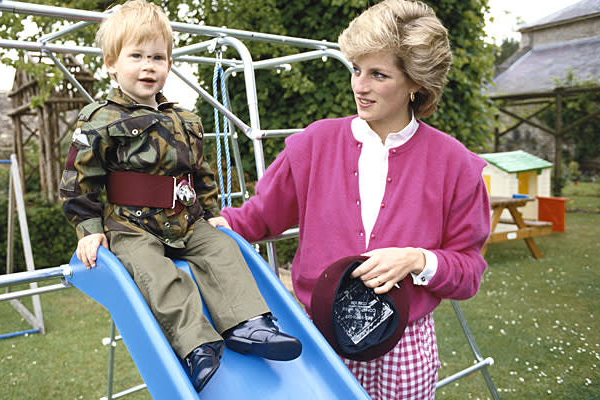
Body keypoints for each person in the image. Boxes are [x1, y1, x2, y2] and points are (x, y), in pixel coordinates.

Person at [209, 0, 491, 398]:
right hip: (317, 336)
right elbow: (258, 217)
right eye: (356, 69)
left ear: (416, 83)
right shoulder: (312, 145)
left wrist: (416, 259)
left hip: (404, 346)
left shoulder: (457, 166)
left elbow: (469, 271)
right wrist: (217, 226)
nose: (360, 85)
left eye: (378, 74)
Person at [58, 0, 301, 393]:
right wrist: (87, 229)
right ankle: (197, 345)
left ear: (169, 63)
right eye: (136, 56)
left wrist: (211, 213)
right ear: (111, 62)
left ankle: (248, 324)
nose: (148, 65)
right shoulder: (99, 119)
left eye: (158, 57)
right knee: (157, 274)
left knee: (223, 250)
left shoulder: (186, 119)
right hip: (131, 226)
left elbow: (200, 174)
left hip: (186, 219)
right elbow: (78, 179)